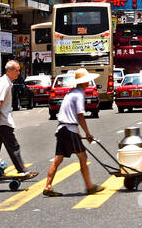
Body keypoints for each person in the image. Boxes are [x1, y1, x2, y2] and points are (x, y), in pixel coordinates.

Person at [43, 68, 100, 197]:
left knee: (58, 159)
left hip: (62, 128)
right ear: (84, 82)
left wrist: (79, 132)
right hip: (69, 129)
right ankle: (89, 186)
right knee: (83, 157)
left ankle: (48, 186)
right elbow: (80, 116)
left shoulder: (71, 93)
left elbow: (72, 115)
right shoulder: (79, 94)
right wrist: (87, 133)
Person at [0, 60, 36, 180]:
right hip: (2, 122)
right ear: (9, 71)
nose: (19, 73)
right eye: (17, 70)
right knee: (14, 146)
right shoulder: (4, 83)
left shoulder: (5, 82)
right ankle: (22, 170)